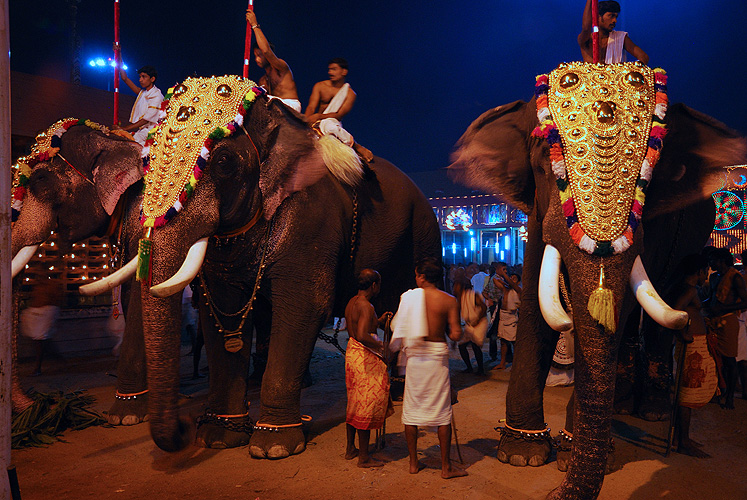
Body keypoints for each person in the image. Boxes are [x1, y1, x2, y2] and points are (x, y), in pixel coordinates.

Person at [390, 257, 467, 478]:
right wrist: (455, 332)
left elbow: (400, 326)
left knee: (412, 410)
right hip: (435, 361)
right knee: (442, 412)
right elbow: (455, 334)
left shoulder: (409, 298)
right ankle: (445, 467)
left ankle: (414, 463)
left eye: (417, 275)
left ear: (422, 277)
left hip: (415, 360)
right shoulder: (448, 300)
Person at [668, 254, 718, 458]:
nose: (707, 273)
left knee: (687, 393)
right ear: (699, 271)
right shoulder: (688, 290)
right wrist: (682, 333)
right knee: (687, 396)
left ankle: (681, 437)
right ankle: (684, 441)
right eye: (706, 270)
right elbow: (676, 312)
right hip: (692, 345)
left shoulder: (691, 289)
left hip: (695, 343)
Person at [344, 269, 394, 467]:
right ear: (374, 285)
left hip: (353, 356)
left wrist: (379, 321)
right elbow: (363, 334)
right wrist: (383, 347)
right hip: (364, 359)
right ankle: (364, 457)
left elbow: (361, 328)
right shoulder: (366, 305)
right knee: (366, 405)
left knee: (354, 403)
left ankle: (350, 448)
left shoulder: (352, 302)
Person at [305, 58, 373, 162]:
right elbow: (311, 107)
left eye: (334, 69)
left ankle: (356, 146)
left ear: (344, 71)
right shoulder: (320, 86)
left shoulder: (350, 94)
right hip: (315, 121)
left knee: (330, 127)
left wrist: (319, 116)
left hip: (332, 122)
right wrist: (305, 120)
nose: (330, 72)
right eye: (329, 69)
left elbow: (339, 115)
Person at [705, 247, 747, 409]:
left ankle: (729, 396)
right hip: (714, 321)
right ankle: (719, 392)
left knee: (730, 360)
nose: (710, 264)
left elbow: (745, 301)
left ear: (721, 261)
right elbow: (712, 297)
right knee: (716, 359)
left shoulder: (735, 277)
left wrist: (723, 309)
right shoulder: (715, 277)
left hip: (728, 321)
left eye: (712, 260)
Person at [245, 10, 301, 112]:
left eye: (259, 55)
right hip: (275, 107)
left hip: (290, 106)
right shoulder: (263, 80)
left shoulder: (281, 67)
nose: (257, 59)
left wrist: (254, 25)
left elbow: (266, 51)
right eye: (255, 56)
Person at [578, 0, 649, 65]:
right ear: (598, 17)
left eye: (616, 17)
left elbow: (643, 57)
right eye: (611, 16)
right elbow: (586, 28)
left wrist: (627, 71)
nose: (615, 20)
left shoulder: (621, 37)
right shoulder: (587, 39)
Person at [20, 279, 63, 375]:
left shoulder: (52, 285)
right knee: (42, 340)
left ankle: (38, 368)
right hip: (37, 314)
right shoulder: (37, 286)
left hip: (45, 313)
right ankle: (57, 359)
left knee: (40, 340)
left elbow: (57, 300)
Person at [115, 63, 164, 146]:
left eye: (144, 77)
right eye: (140, 77)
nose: (140, 80)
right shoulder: (144, 93)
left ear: (152, 79)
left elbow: (145, 120)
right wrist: (119, 56)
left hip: (153, 132)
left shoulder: (157, 95)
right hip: (143, 131)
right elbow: (125, 78)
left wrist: (124, 128)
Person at [453, 277, 488, 375]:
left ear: (462, 287)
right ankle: (469, 368)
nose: (454, 289)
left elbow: (484, 307)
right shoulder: (459, 299)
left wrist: (477, 319)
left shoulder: (473, 295)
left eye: (456, 286)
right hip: (470, 324)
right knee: (462, 345)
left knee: (475, 345)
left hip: (480, 323)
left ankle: (481, 370)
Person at [494, 268, 522, 370]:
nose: (511, 279)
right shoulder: (505, 289)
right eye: (511, 278)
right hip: (503, 317)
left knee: (514, 342)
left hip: (512, 318)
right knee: (503, 342)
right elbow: (495, 280)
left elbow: (512, 284)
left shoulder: (518, 290)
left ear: (518, 282)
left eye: (514, 279)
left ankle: (517, 363)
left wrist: (505, 277)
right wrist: (504, 279)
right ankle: (502, 363)